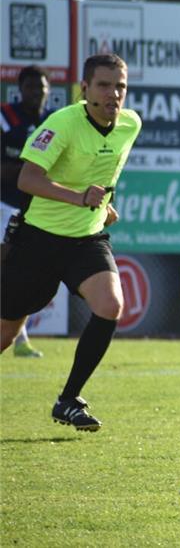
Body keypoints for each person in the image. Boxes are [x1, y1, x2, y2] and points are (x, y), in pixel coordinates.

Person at [0, 54, 139, 432]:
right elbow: (27, 180)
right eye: (104, 85)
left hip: (86, 239)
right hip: (38, 240)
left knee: (111, 305)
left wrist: (105, 204)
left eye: (121, 86)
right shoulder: (61, 123)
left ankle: (68, 400)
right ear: (85, 89)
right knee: (6, 335)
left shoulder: (130, 125)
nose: (114, 94)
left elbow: (105, 172)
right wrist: (80, 197)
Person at [1, 65, 52, 357]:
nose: (37, 93)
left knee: (20, 270)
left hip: (36, 210)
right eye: (32, 87)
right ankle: (19, 339)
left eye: (42, 88)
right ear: (20, 90)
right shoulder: (6, 118)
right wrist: (28, 172)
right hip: (4, 204)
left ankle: (20, 339)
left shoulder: (52, 122)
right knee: (6, 266)